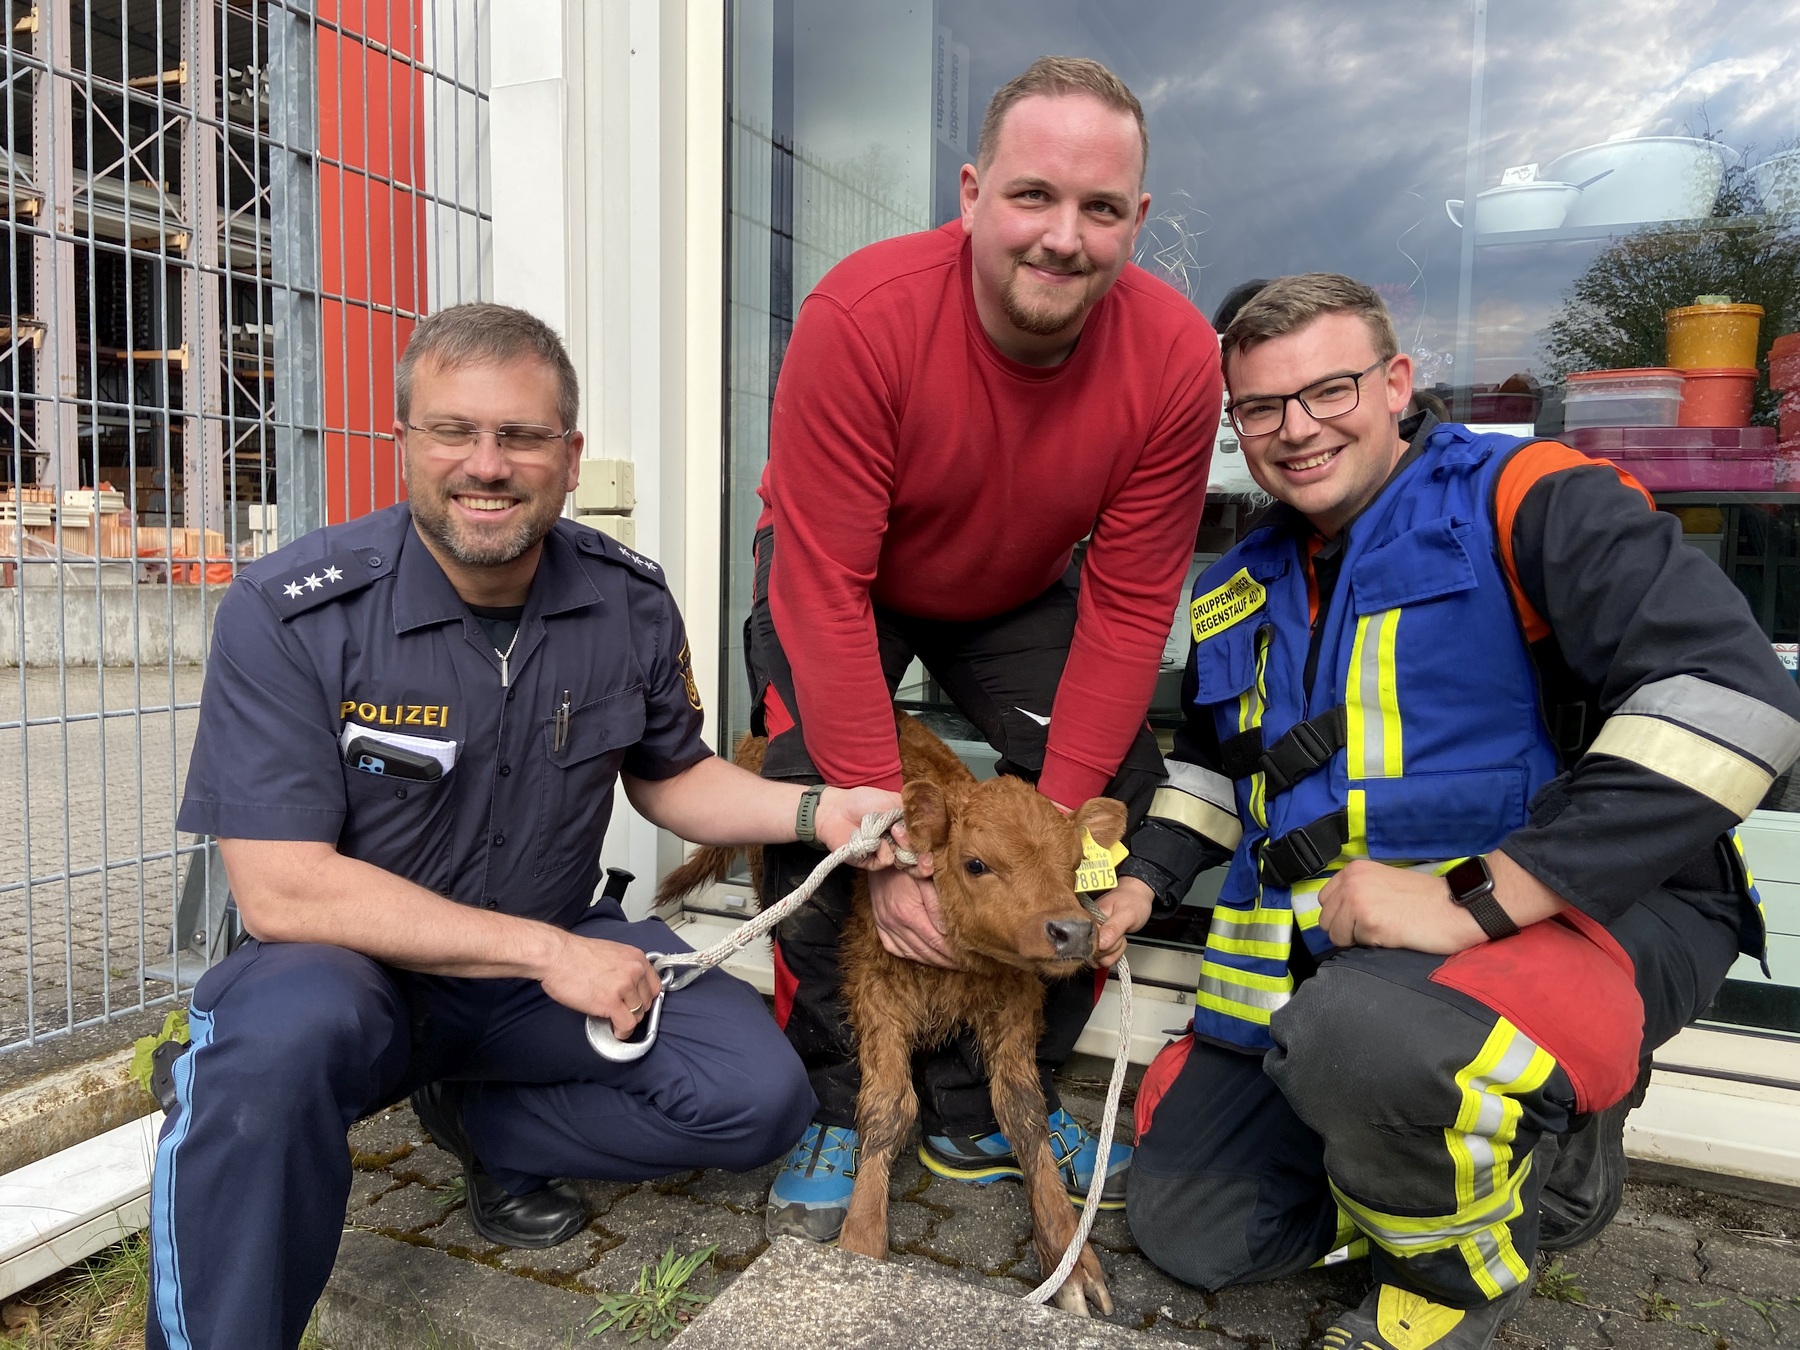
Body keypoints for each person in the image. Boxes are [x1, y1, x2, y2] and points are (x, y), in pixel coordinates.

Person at [147, 303, 904, 1350]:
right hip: (353, 975)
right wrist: (547, 952)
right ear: (402, 441)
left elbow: (670, 776)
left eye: (522, 436)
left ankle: (481, 1125)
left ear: (571, 454)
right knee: (269, 1047)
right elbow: (282, 891)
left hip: (537, 968)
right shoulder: (290, 613)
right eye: (454, 431)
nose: (487, 465)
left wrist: (819, 809)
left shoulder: (628, 601)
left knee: (756, 1097)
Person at [1115, 272, 1800, 1350]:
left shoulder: (1529, 495)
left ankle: (1468, 1268)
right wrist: (1142, 879)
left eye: (1329, 390)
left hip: (1591, 915)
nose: (1296, 430)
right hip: (1364, 962)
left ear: (1396, 384)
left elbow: (1736, 701)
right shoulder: (1237, 582)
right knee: (1195, 1233)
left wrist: (1468, 899)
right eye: (1260, 408)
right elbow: (1213, 765)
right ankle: (1429, 1151)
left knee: (1361, 1039)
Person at [749, 54, 1224, 1241]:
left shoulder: (1174, 361)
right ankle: (837, 1098)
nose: (1062, 237)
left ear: (1137, 223)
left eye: (1100, 209)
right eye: (1032, 196)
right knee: (807, 785)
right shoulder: (862, 315)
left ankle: (981, 1106)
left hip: (1014, 592)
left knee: (1117, 784)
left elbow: (1126, 608)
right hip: (842, 579)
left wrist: (1051, 833)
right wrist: (893, 846)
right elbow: (824, 583)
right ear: (971, 194)